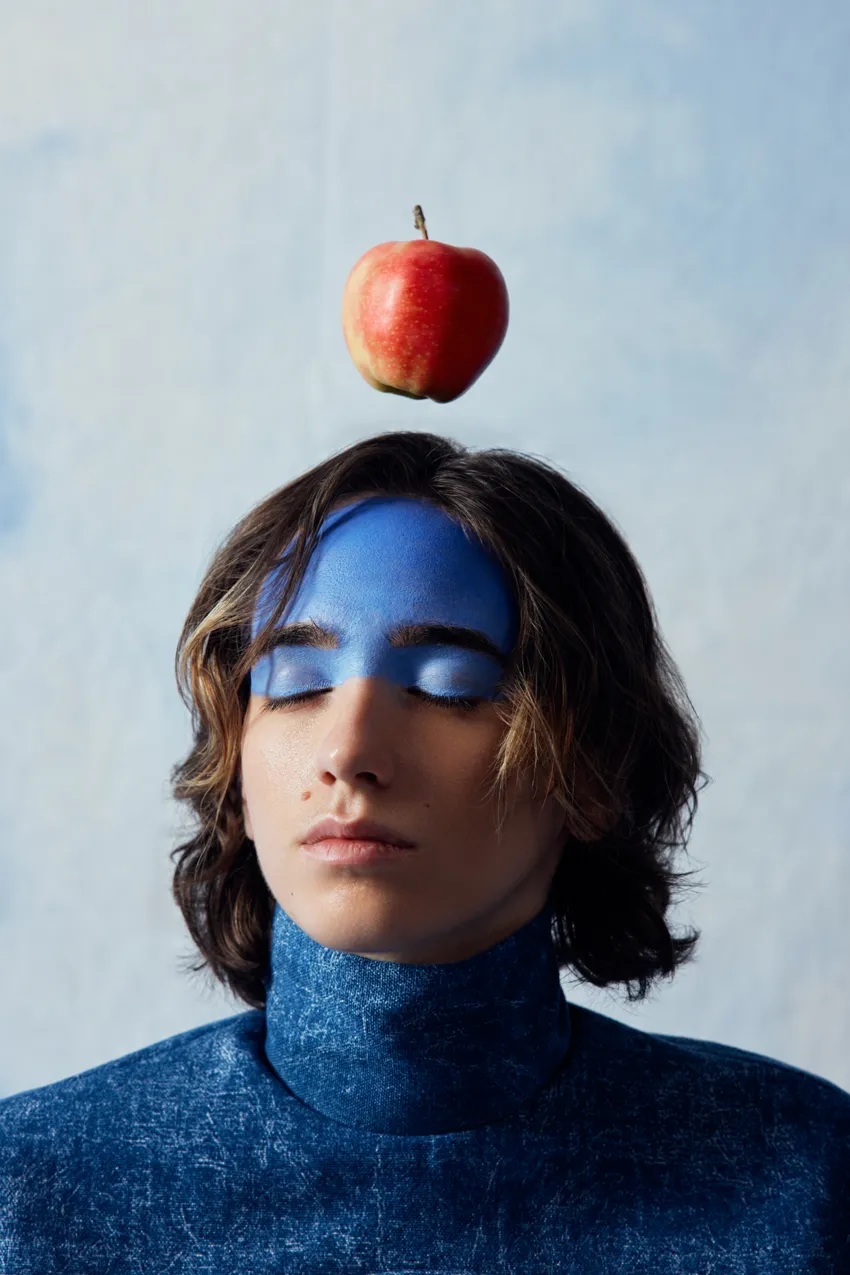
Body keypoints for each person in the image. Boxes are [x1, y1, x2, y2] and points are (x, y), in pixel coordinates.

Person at [1, 429, 848, 1272]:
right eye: (297, 685)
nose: (348, 750)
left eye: (448, 687)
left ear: (592, 772)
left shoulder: (806, 1183)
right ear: (237, 772)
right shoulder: (28, 1193)